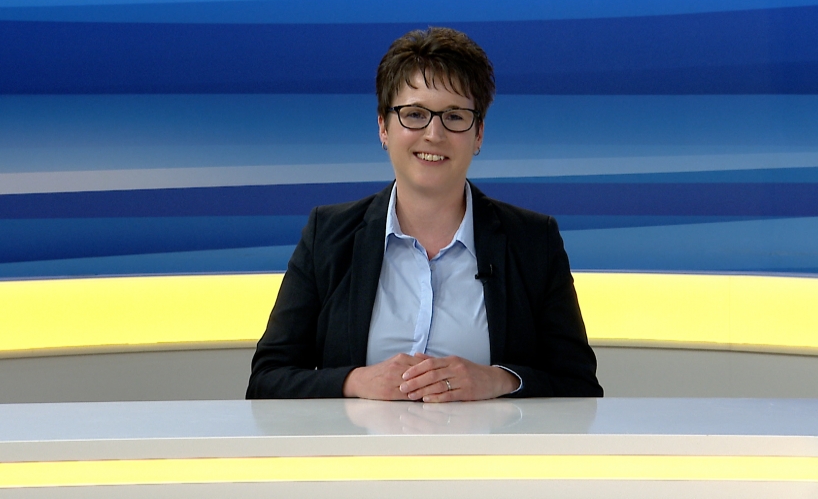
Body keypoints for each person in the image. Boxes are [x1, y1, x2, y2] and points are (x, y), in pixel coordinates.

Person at [246, 27, 602, 401]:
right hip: (361, 442)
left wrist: (499, 381)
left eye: (455, 116)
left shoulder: (533, 242)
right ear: (383, 127)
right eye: (414, 114)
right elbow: (266, 380)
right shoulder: (328, 235)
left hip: (487, 442)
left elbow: (580, 387)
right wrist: (355, 382)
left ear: (479, 134)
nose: (434, 133)